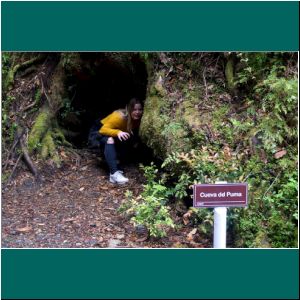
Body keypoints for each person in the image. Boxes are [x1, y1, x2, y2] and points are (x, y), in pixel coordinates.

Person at [93, 98, 143, 184]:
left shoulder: (139, 119)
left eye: (140, 109)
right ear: (129, 109)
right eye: (134, 109)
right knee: (110, 140)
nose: (137, 112)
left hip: (115, 133)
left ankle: (116, 164)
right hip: (99, 131)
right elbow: (102, 130)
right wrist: (118, 132)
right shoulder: (119, 117)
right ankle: (114, 174)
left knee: (126, 140)